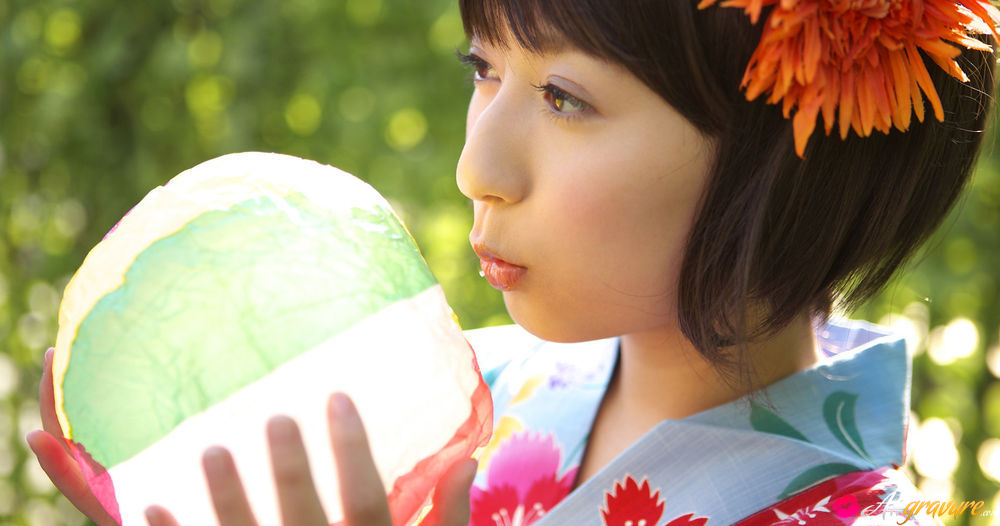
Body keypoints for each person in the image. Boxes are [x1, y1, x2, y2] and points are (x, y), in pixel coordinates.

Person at [27, 0, 1000, 524]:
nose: (476, 168)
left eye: (564, 97)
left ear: (788, 160)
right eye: (483, 69)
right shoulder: (443, 397)